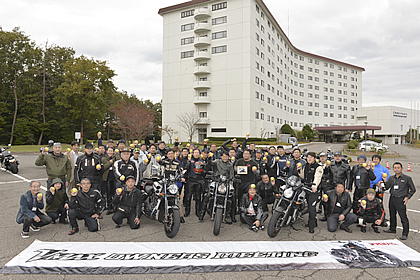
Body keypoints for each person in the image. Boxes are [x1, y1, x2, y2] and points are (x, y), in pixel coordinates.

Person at [383, 162, 416, 240]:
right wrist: (385, 181)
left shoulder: (407, 178)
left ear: (401, 169)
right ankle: (392, 228)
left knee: (403, 217)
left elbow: (413, 190)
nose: (396, 169)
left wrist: (407, 197)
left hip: (401, 199)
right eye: (395, 168)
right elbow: (387, 187)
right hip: (392, 198)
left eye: (398, 168)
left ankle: (405, 233)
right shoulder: (391, 178)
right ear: (393, 169)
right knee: (392, 214)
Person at [201, 150, 235, 222]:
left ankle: (233, 216)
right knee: (207, 195)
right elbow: (210, 164)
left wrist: (232, 179)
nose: (225, 158)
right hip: (216, 181)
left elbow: (232, 175)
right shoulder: (217, 161)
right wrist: (209, 158)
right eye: (223, 156)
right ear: (221, 157)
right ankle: (202, 214)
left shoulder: (230, 165)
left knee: (233, 197)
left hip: (226, 183)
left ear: (228, 157)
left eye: (226, 156)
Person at [298, 152, 323, 233]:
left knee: (312, 208)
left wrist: (314, 186)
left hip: (314, 190)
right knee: (308, 206)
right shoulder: (306, 165)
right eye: (308, 157)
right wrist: (299, 170)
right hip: (306, 189)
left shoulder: (318, 167)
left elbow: (317, 177)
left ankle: (311, 226)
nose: (309, 159)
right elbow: (303, 176)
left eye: (311, 157)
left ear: (315, 158)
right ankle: (314, 222)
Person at [184, 149, 206, 217]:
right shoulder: (190, 161)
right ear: (193, 153)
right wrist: (188, 161)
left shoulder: (202, 161)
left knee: (198, 198)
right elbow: (186, 168)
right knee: (188, 198)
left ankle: (198, 212)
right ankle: (187, 211)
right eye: (195, 153)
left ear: (200, 154)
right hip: (190, 180)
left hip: (199, 180)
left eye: (197, 153)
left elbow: (205, 172)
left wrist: (202, 171)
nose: (196, 154)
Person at [101, 146, 117, 215]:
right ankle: (109, 207)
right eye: (109, 151)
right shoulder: (104, 159)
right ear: (106, 151)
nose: (110, 152)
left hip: (114, 177)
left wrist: (116, 154)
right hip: (106, 178)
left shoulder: (115, 158)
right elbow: (103, 167)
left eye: (111, 151)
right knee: (108, 193)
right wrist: (110, 162)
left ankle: (114, 207)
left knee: (114, 193)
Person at [318, 152, 333, 221]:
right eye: (321, 157)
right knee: (318, 198)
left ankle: (327, 215)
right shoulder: (318, 165)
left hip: (327, 185)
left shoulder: (330, 165)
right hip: (318, 185)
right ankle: (319, 209)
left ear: (326, 157)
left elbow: (331, 175)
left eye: (324, 156)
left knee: (326, 200)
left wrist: (327, 167)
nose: (322, 158)